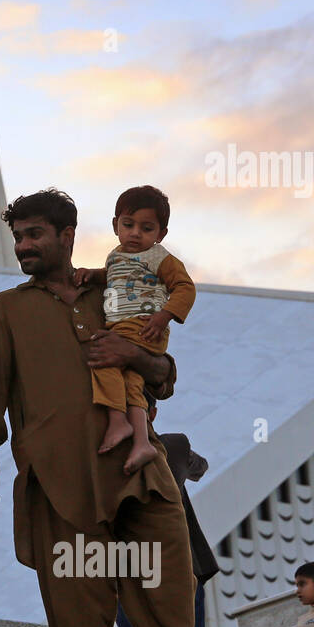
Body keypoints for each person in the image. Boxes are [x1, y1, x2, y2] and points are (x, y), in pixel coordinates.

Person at [0, 188, 223, 627]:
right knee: (77, 592)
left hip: (137, 459)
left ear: (67, 236)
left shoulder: (114, 290)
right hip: (59, 470)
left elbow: (164, 374)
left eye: (34, 234)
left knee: (171, 564)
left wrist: (132, 353)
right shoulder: (8, 308)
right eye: (17, 237)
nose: (24, 246)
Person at [72, 185, 195, 474]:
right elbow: (115, 276)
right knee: (131, 382)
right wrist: (94, 275)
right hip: (125, 325)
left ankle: (117, 421)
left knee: (104, 359)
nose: (136, 233)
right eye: (128, 225)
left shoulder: (159, 257)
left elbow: (185, 287)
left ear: (160, 234)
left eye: (146, 228)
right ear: (116, 225)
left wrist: (164, 316)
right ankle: (141, 441)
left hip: (142, 326)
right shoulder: (115, 256)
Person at [115, 393, 220, 627]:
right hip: (179, 562)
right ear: (152, 414)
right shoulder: (173, 446)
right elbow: (201, 467)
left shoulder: (104, 456)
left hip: (128, 565)